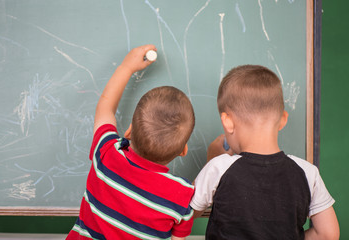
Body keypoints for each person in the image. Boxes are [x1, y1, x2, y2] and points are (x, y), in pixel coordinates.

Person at [190, 65, 340, 239]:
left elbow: (182, 213)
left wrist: (212, 163)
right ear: (283, 119)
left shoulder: (219, 168)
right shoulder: (308, 173)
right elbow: (328, 234)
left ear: (227, 122)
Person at [66, 45, 196, 240]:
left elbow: (105, 108)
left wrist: (126, 68)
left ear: (128, 132)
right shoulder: (182, 196)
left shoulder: (107, 152)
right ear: (183, 150)